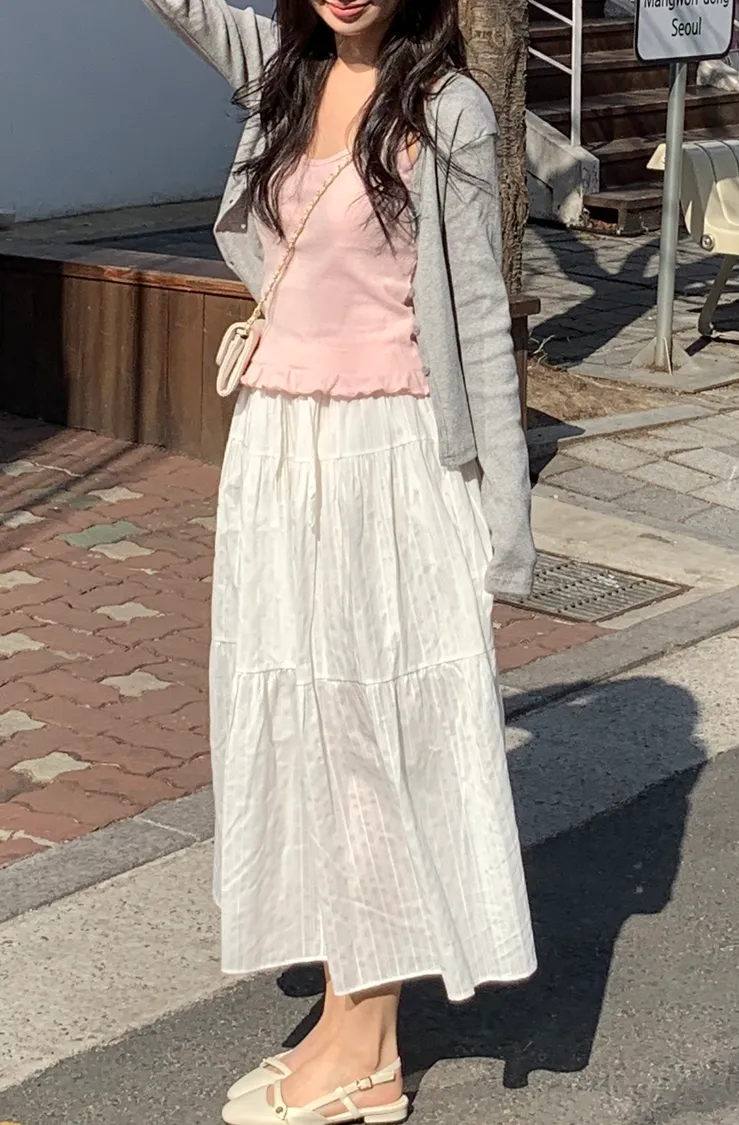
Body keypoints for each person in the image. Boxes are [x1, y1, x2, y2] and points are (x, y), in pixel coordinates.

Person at [142, 2, 538, 1123]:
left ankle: (370, 1049)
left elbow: (476, 315)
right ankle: (342, 1016)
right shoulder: (284, 70)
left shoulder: (448, 109)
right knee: (309, 734)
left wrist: (506, 519)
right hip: (279, 452)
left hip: (386, 459)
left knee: (373, 739)